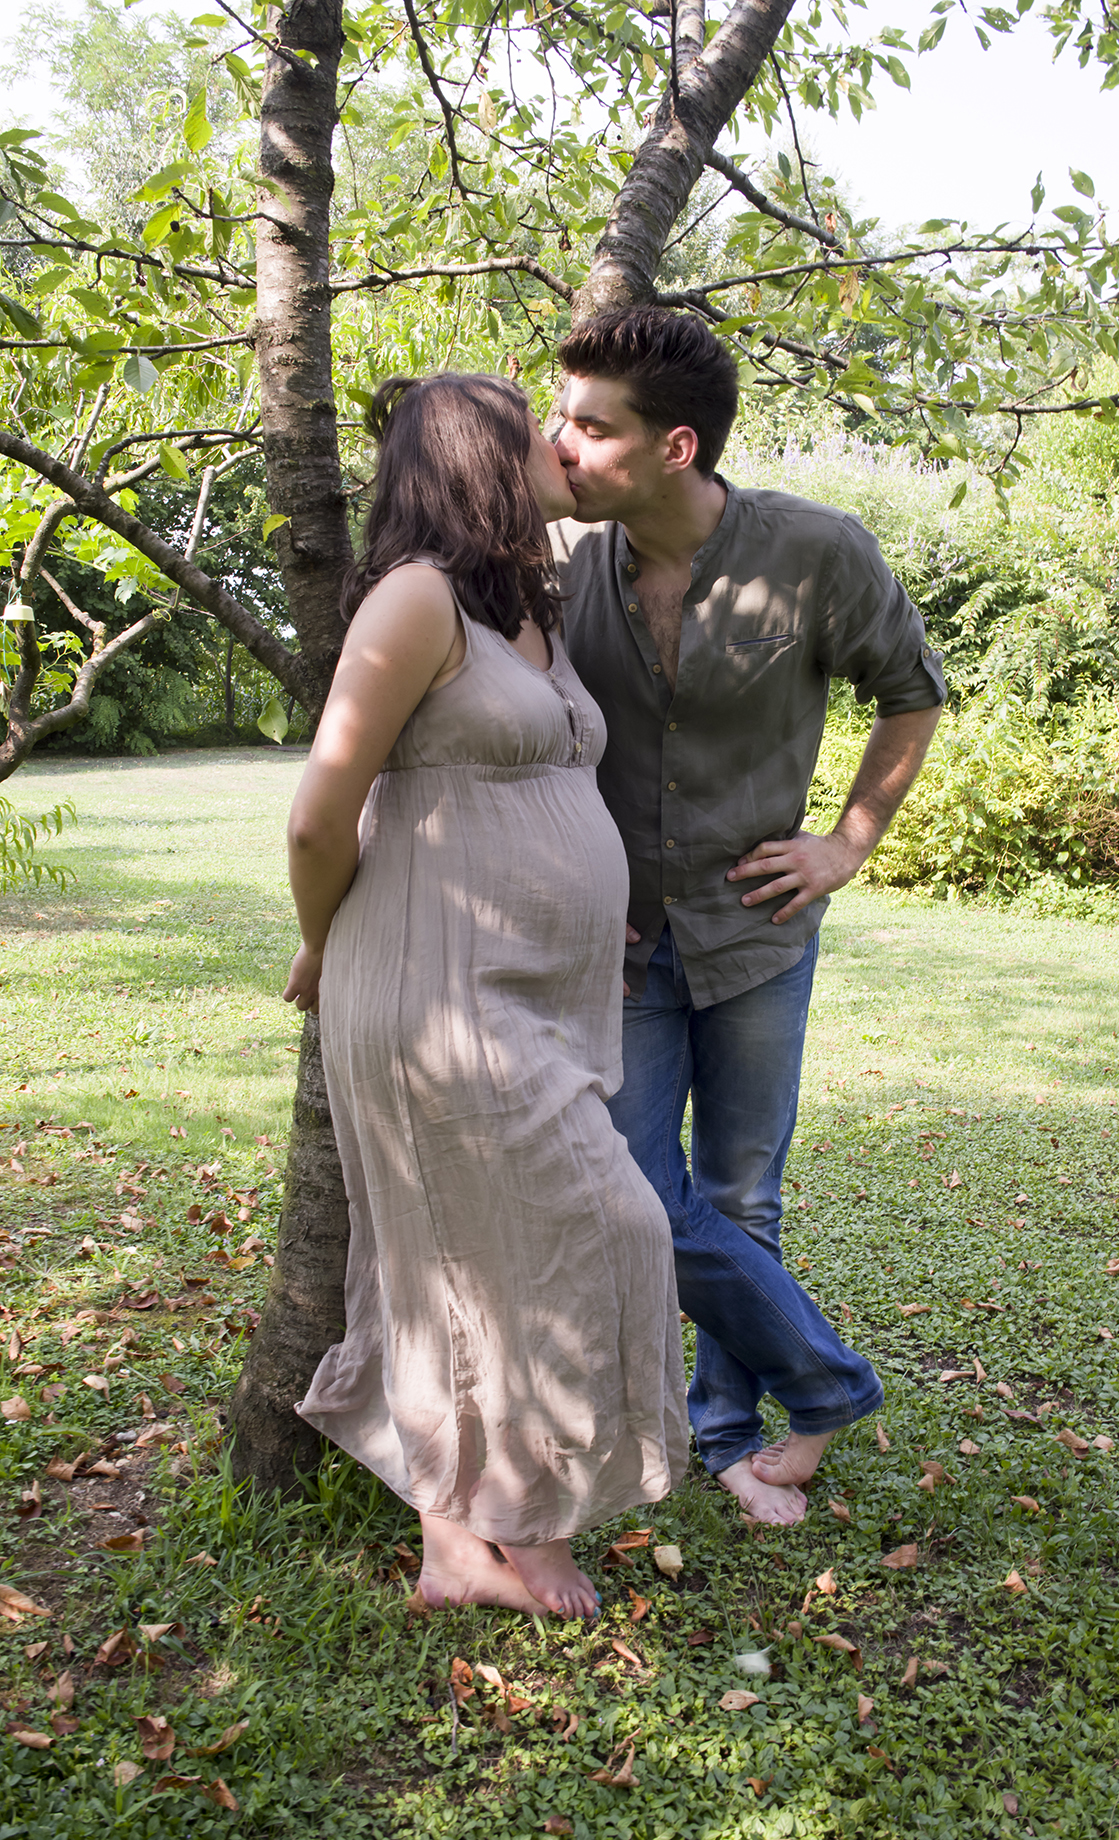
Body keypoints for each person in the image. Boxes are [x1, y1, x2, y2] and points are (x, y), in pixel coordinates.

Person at [283, 372, 688, 1617]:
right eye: (541, 432)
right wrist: (314, 944)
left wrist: (581, 889)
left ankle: (473, 1538)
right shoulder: (411, 601)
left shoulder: (527, 610)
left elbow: (529, 791)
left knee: (486, 1261)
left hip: (528, 990)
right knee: (576, 1234)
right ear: (478, 457)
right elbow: (318, 816)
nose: (563, 446)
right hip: (432, 993)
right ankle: (500, 1529)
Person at [550, 306, 947, 1526]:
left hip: (757, 932)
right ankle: (821, 1384)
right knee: (625, 1187)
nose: (558, 444)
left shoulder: (817, 551)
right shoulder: (566, 560)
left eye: (588, 425)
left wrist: (844, 843)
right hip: (618, 940)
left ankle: (727, 1430)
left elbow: (911, 695)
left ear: (674, 447)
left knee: (740, 1192)